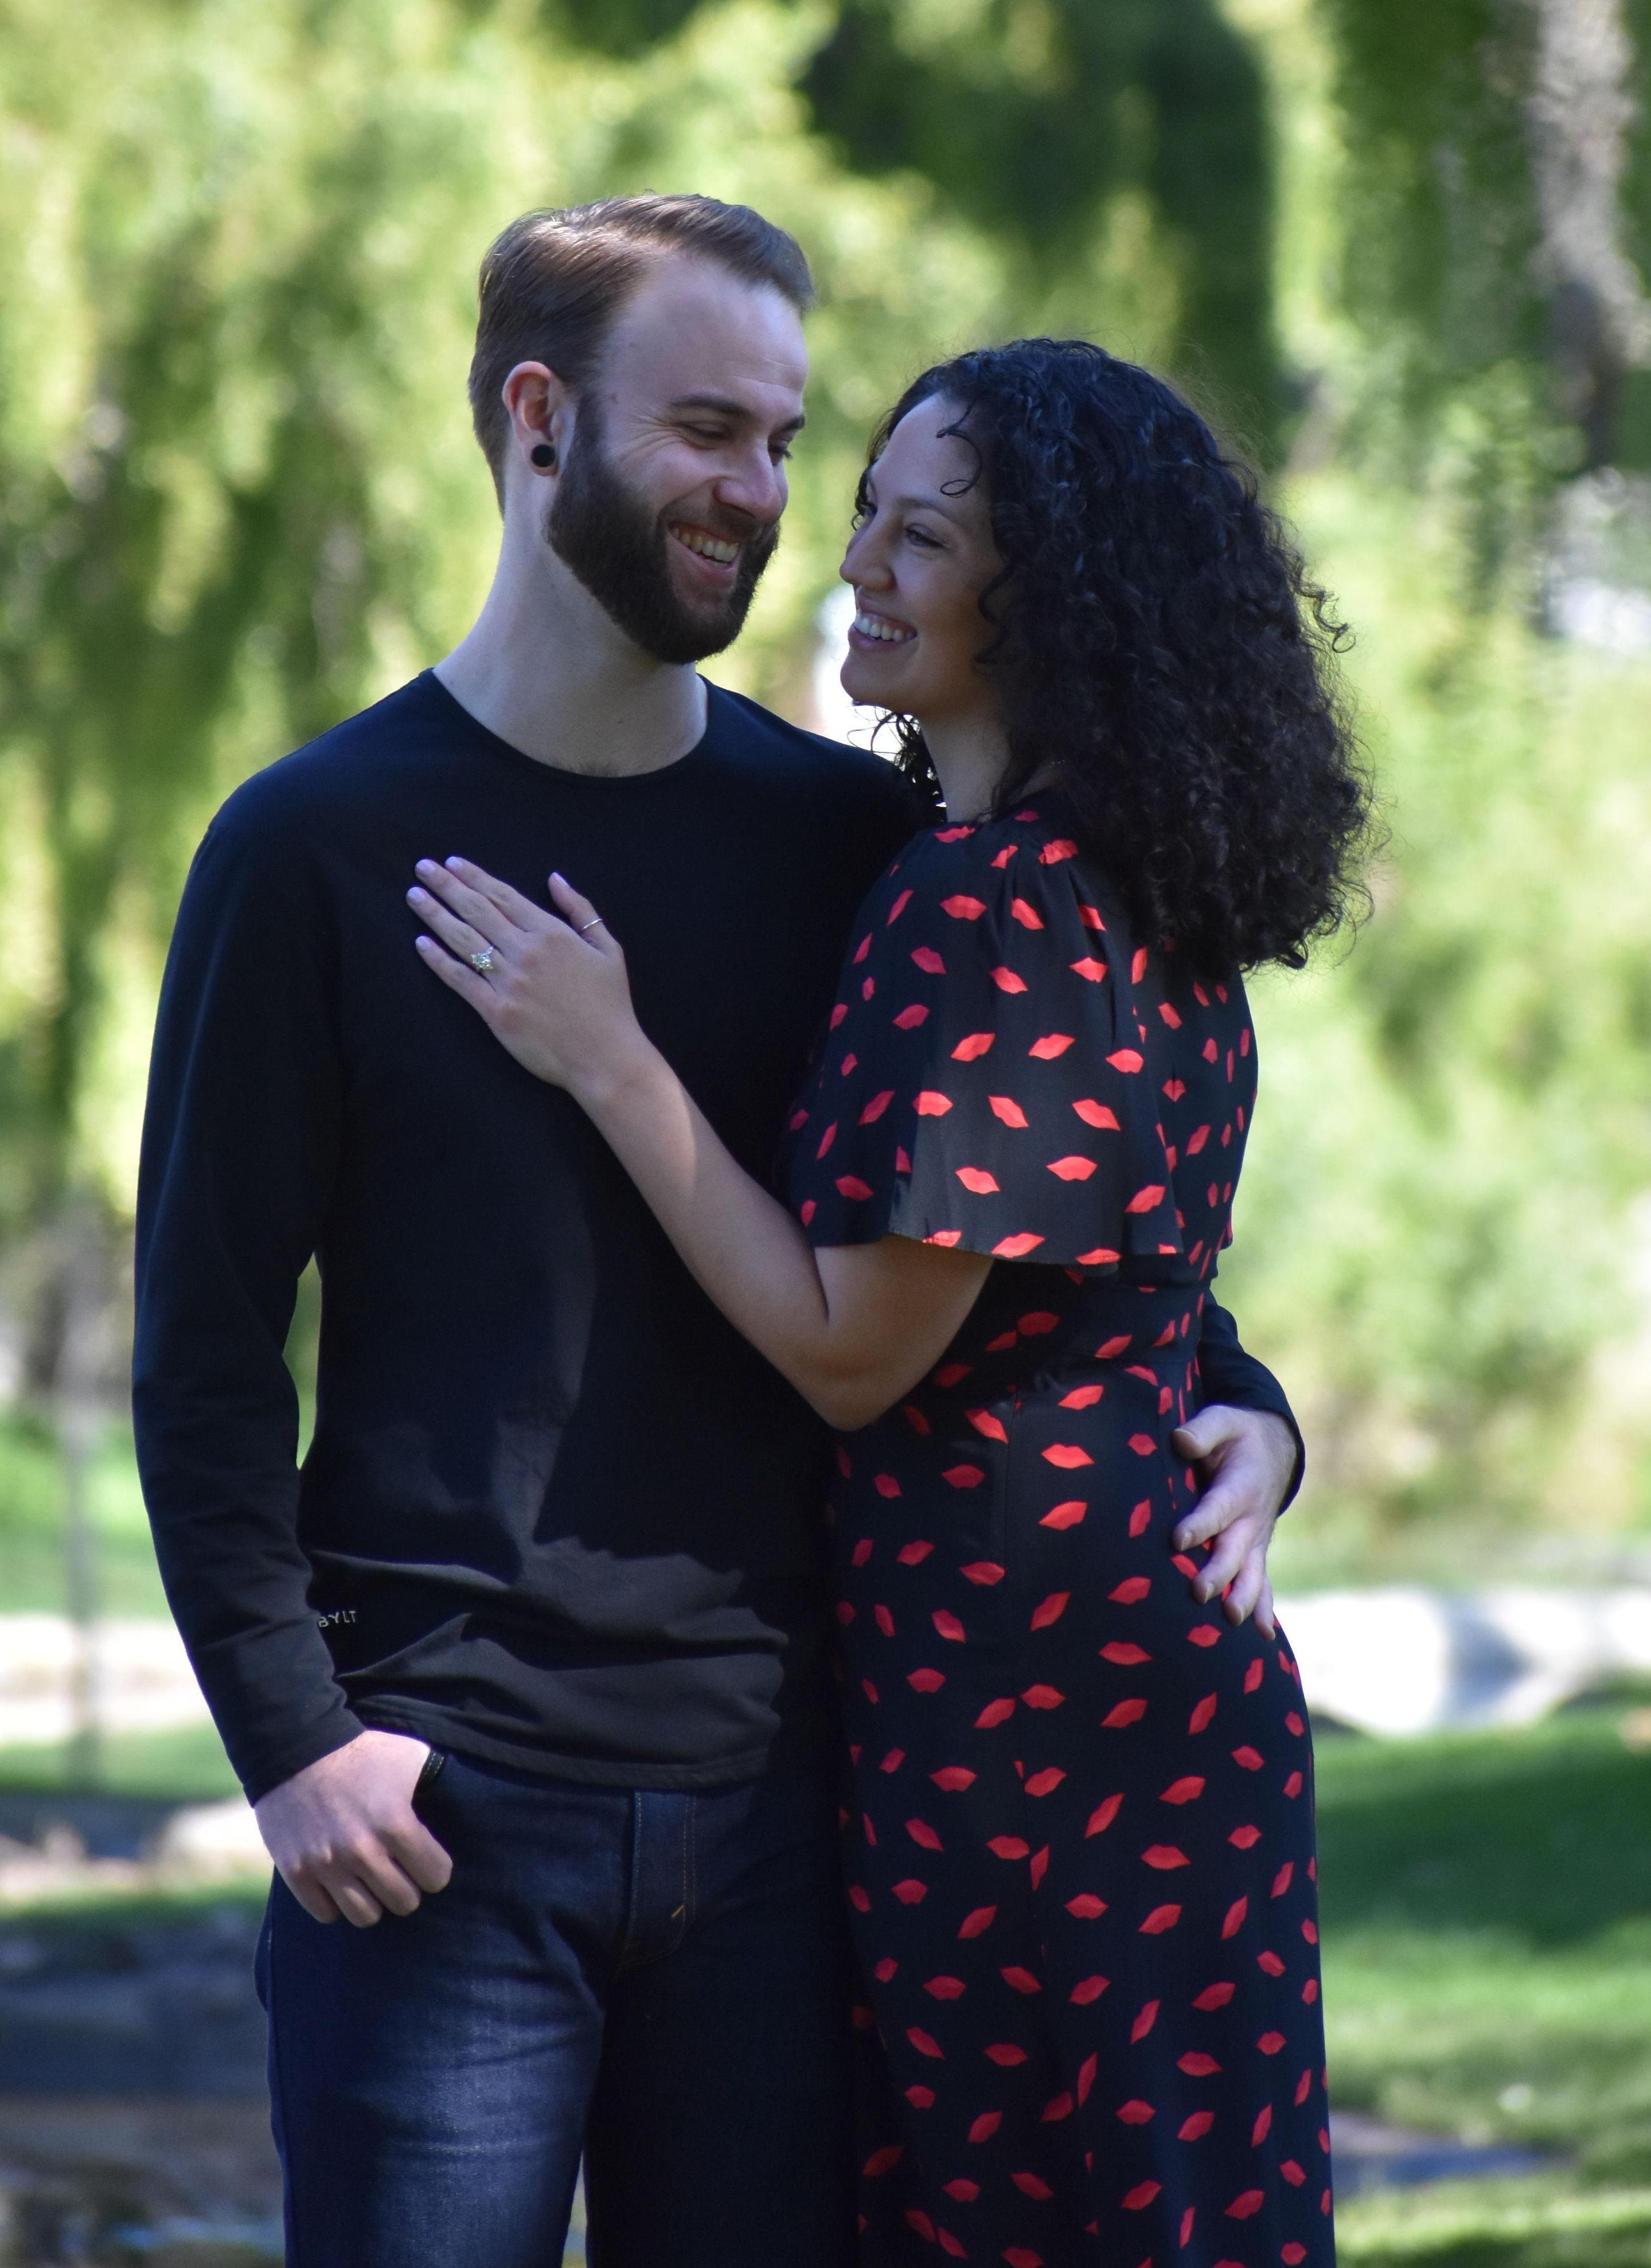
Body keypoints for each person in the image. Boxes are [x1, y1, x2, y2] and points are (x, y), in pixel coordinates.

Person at [135, 195, 1307, 2268]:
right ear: (537, 420)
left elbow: (1025, 1229)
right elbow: (206, 1349)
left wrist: (1248, 1402)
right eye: (706, 430)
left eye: (783, 440)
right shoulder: (309, 846)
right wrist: (296, 1739)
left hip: (798, 1814)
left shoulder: (857, 841)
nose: (761, 497)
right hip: (443, 1816)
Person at [409, 338, 1368, 2266]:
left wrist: (605, 1053)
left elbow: (853, 1352)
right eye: (862, 511)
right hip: (1111, 1699)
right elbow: (1122, 1301)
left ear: (1054, 601)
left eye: (919, 537)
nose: (850, 559)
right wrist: (1265, 1421)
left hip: (1036, 1731)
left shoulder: (993, 906)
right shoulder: (1130, 895)